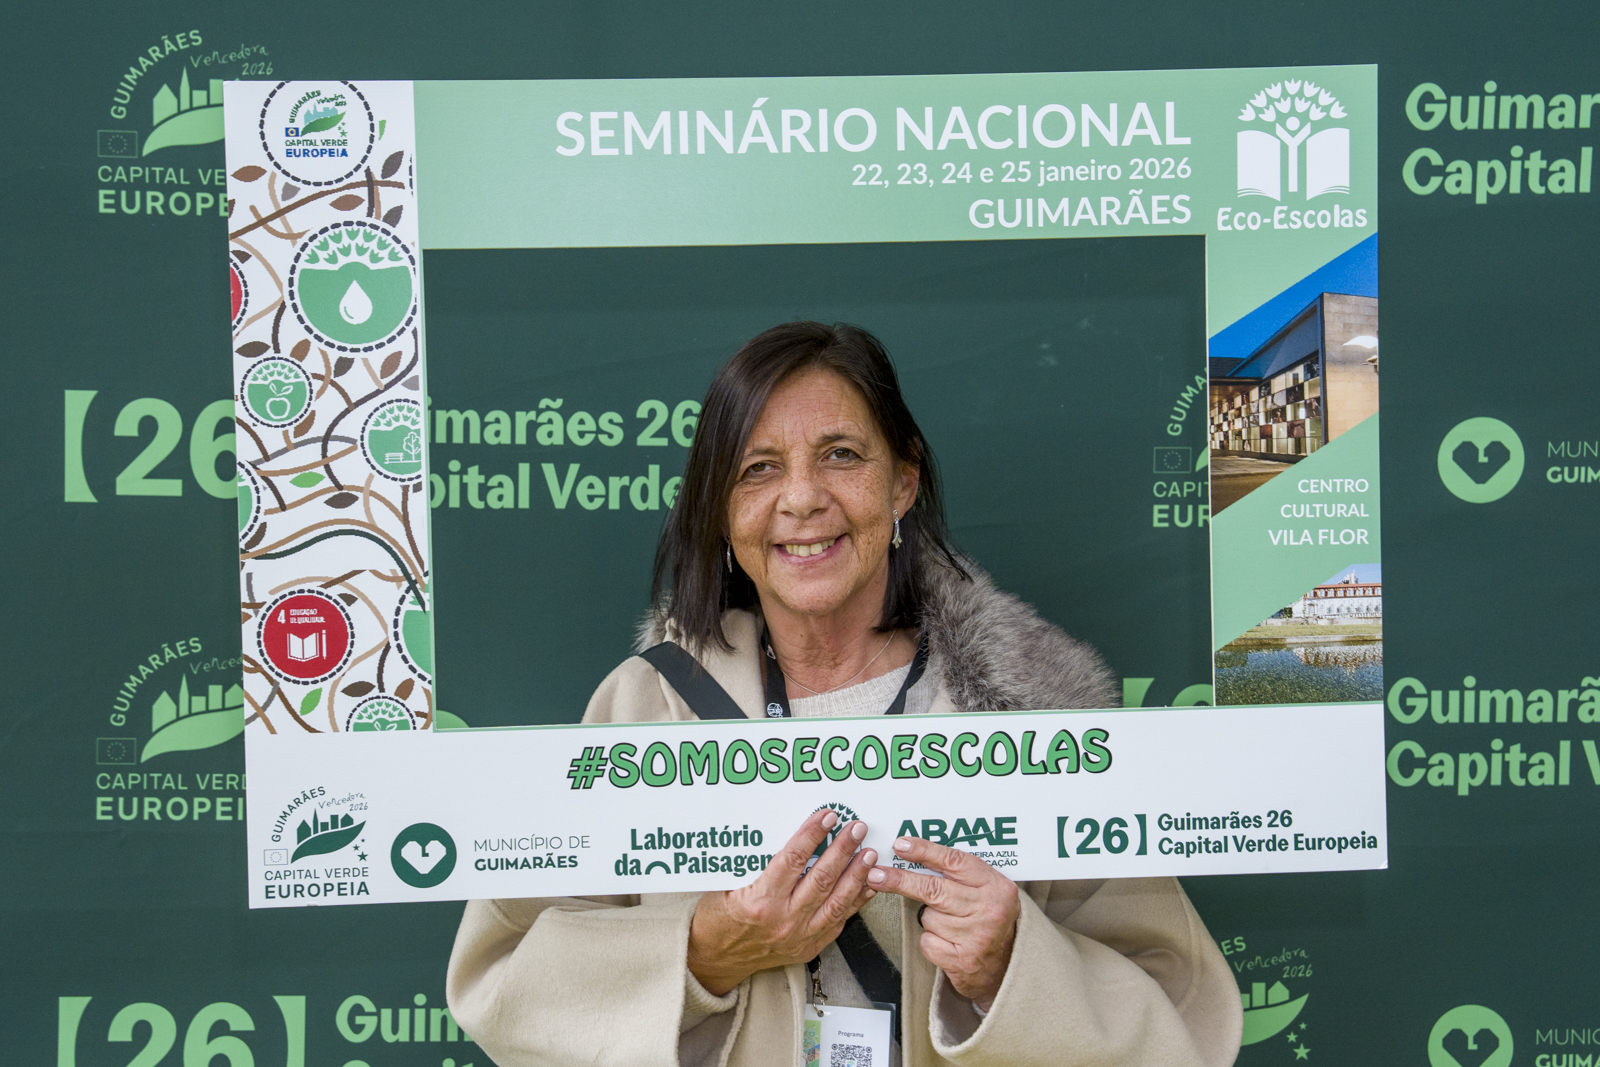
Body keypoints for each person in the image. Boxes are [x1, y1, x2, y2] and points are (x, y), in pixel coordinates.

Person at [446, 322, 1243, 1067]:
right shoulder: (646, 708)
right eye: (758, 468)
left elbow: (1181, 1011)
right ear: (720, 509)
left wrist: (1011, 964)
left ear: (902, 481)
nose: (801, 499)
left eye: (840, 455)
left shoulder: (1027, 714)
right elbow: (503, 978)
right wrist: (704, 952)